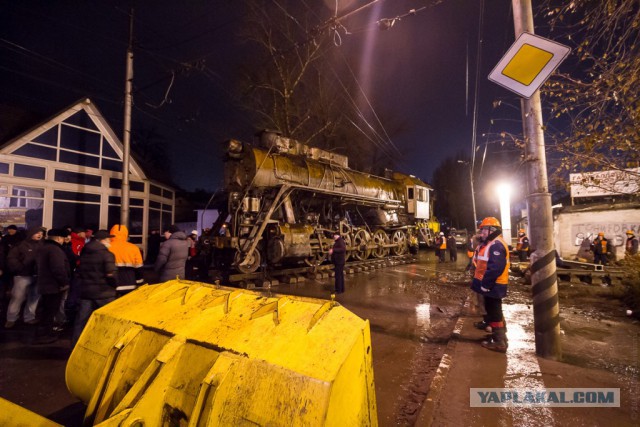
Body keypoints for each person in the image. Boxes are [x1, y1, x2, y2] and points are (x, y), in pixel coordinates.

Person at [471, 217, 510, 353]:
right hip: (491, 284)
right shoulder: (491, 243)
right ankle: (498, 336)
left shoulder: (496, 245)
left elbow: (495, 269)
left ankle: (500, 341)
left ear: (491, 230)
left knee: (495, 312)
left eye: (483, 230)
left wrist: (485, 285)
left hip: (493, 285)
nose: (481, 233)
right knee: (494, 311)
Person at [73, 230, 117, 345]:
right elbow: (110, 274)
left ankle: (76, 344)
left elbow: (80, 270)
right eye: (108, 239)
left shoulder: (85, 251)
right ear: (103, 240)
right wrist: (115, 285)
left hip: (86, 291)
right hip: (104, 292)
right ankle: (106, 343)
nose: (110, 242)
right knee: (109, 319)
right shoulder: (107, 254)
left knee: (81, 320)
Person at [34, 228, 71, 344]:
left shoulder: (44, 248)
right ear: (59, 238)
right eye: (63, 238)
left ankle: (43, 333)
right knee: (50, 311)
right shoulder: (55, 250)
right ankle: (45, 335)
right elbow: (58, 269)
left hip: (45, 284)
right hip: (53, 286)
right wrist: (64, 282)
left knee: (46, 310)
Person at [5, 226, 45, 328]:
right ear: (30, 233)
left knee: (34, 298)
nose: (39, 235)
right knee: (17, 298)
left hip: (38, 275)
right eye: (37, 233)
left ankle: (29, 317)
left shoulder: (42, 245)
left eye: (40, 233)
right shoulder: (20, 245)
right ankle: (11, 318)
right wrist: (20, 268)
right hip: (22, 276)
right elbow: (11, 259)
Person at [108, 225, 144, 295]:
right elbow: (139, 268)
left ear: (111, 234)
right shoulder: (134, 248)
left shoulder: (107, 247)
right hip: (129, 284)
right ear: (126, 234)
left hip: (111, 285)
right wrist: (139, 283)